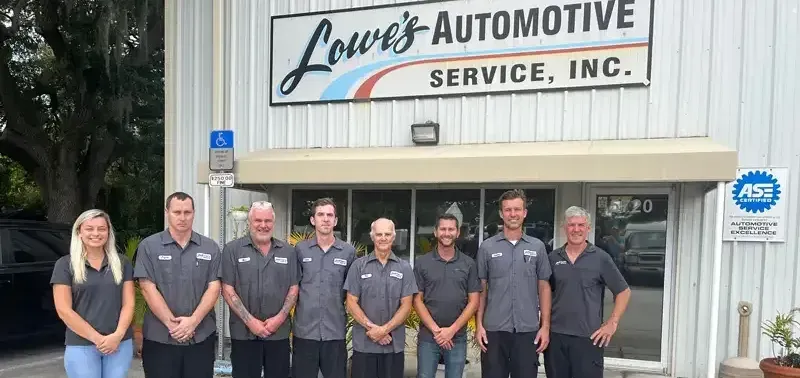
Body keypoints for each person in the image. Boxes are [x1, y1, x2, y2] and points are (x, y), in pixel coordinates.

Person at [134, 192, 222, 378]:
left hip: (200, 337)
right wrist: (172, 325)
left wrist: (193, 322)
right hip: (160, 338)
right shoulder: (149, 246)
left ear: (194, 213)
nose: (182, 217)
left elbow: (214, 287)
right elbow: (147, 287)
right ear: (167, 212)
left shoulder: (210, 247)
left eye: (187, 212)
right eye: (177, 212)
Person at [545, 206, 631, 378]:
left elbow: (623, 291)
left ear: (588, 228)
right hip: (556, 338)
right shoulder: (553, 258)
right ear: (565, 227)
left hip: (589, 338)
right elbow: (544, 293)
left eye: (581, 225)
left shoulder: (600, 258)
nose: (576, 229)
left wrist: (612, 323)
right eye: (571, 225)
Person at [475, 189, 552, 378]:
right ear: (501, 214)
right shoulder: (487, 247)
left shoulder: (537, 247)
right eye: (508, 210)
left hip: (527, 330)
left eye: (517, 209)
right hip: (494, 330)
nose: (513, 214)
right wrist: (479, 325)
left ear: (525, 213)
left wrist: (545, 326)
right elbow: (481, 289)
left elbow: (544, 287)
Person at [51, 209, 135, 378]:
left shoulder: (122, 263)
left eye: (101, 229)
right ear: (79, 232)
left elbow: (129, 304)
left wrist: (117, 336)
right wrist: (97, 339)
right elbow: (63, 310)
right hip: (81, 344)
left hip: (119, 343)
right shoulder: (65, 265)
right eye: (89, 229)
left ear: (108, 232)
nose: (96, 233)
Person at [220, 201, 300, 378]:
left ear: (273, 222)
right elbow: (227, 288)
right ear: (249, 222)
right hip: (243, 333)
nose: (263, 225)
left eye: (267, 221)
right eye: (258, 220)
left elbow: (294, 287)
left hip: (278, 333)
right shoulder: (232, 250)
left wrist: (279, 319)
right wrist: (250, 322)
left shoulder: (288, 252)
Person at [344, 218, 418, 378]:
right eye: (379, 234)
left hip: (393, 345)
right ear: (372, 237)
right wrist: (373, 329)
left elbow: (406, 305)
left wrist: (384, 330)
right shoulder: (358, 266)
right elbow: (351, 302)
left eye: (387, 234)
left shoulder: (404, 268)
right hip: (364, 345)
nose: (383, 238)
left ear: (393, 236)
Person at [292, 198, 356, 378]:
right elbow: (292, 288)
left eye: (330, 215)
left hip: (334, 332)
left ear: (335, 221)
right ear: (313, 220)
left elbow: (351, 293)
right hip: (305, 332)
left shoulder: (348, 252)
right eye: (321, 214)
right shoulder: (300, 250)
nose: (326, 219)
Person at [413, 213, 481, 378]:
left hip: (457, 337)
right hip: (429, 337)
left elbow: (474, 301)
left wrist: (451, 330)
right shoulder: (422, 262)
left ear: (458, 233)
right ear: (435, 232)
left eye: (451, 229)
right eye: (443, 229)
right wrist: (437, 331)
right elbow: (417, 300)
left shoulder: (468, 264)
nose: (447, 233)